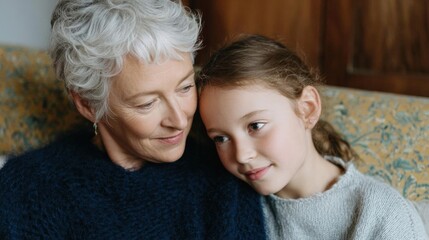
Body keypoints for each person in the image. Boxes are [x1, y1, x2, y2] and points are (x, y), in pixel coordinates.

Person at [0, 1, 267, 239]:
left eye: (185, 87)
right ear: (88, 105)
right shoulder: (26, 191)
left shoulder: (224, 181)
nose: (179, 119)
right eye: (147, 103)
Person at [198, 34, 428, 239]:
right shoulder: (230, 205)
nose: (242, 155)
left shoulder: (378, 211)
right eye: (221, 138)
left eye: (255, 126)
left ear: (307, 109)